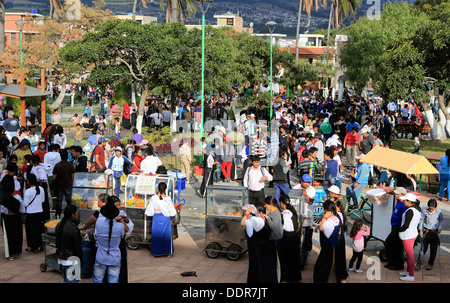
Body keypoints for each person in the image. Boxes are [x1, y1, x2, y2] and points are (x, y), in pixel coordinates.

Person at [93, 197, 127, 283]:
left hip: (100, 257)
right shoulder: (120, 226)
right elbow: (123, 234)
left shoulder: (99, 224)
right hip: (115, 258)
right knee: (113, 280)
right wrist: (120, 220)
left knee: (98, 280)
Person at [313, 200, 344, 283]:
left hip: (328, 249)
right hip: (332, 248)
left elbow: (323, 228)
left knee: (320, 270)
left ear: (326, 210)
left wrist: (324, 217)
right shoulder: (335, 218)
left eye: (324, 210)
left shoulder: (329, 220)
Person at [240, 204, 272, 283]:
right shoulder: (265, 218)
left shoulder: (254, 220)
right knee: (262, 264)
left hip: (255, 246)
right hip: (263, 245)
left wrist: (246, 213)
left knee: (255, 265)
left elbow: (243, 223)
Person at [145, 182, 177, 257]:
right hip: (165, 219)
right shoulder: (168, 199)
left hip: (156, 218)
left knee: (156, 235)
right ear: (165, 189)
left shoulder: (153, 198)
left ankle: (155, 252)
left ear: (158, 188)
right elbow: (172, 212)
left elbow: (149, 211)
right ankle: (168, 252)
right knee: (166, 235)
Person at [55, 204, 83, 283]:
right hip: (72, 262)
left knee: (64, 280)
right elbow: (77, 248)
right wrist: (80, 262)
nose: (78, 214)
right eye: (77, 212)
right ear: (72, 215)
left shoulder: (59, 225)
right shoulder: (74, 229)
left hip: (62, 261)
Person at [415, 199, 444, 271]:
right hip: (426, 232)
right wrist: (421, 230)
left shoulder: (439, 212)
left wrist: (439, 228)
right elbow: (421, 221)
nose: (430, 210)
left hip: (434, 233)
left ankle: (430, 263)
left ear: (436, 207)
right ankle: (419, 263)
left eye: (432, 208)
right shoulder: (424, 212)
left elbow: (442, 220)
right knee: (422, 249)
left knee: (433, 249)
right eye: (429, 208)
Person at [278, 194, 302, 283]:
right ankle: (296, 276)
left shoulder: (286, 213)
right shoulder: (293, 210)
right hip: (295, 237)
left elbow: (286, 227)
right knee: (294, 257)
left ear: (281, 203)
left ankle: (289, 276)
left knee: (287, 258)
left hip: (288, 237)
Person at [384, 187, 409, 270]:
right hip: (394, 226)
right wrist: (389, 192)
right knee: (388, 243)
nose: (395, 195)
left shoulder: (404, 205)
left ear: (402, 195)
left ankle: (398, 264)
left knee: (397, 247)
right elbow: (393, 192)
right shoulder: (399, 201)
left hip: (398, 227)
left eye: (397, 194)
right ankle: (391, 261)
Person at [398, 193, 421, 282]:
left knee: (410, 256)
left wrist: (400, 230)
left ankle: (411, 275)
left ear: (409, 202)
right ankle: (408, 271)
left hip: (407, 235)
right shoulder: (417, 209)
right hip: (413, 233)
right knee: (409, 255)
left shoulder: (410, 211)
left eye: (405, 200)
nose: (403, 201)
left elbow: (406, 225)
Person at [261, 196, 283, 283]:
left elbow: (273, 226)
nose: (265, 206)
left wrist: (267, 218)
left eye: (266, 204)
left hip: (275, 239)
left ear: (271, 205)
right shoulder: (271, 212)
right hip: (273, 238)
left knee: (273, 261)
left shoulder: (276, 213)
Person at [0, 176, 23, 260]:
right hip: (17, 217)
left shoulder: (3, 199)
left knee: (9, 235)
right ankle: (17, 251)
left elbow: (3, 210)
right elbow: (22, 208)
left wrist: (9, 212)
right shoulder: (18, 197)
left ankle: (10, 253)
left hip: (7, 219)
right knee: (17, 234)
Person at [23, 173, 46, 252]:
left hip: (31, 213)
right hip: (39, 211)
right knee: (39, 229)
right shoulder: (41, 189)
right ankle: (40, 245)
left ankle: (32, 246)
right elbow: (43, 200)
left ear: (28, 181)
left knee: (30, 231)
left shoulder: (28, 191)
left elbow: (25, 204)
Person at [53, 150, 75, 219]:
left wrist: (55, 181)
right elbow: (72, 175)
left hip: (60, 185)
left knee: (59, 201)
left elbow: (54, 175)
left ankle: (58, 215)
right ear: (67, 156)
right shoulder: (70, 165)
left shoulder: (57, 165)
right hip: (68, 185)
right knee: (69, 201)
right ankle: (70, 215)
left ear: (60, 156)